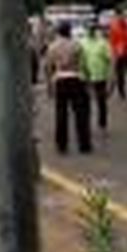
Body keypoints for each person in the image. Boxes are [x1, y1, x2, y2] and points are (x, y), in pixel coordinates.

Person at [43, 21, 92, 155]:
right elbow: (84, 65)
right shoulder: (76, 45)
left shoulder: (53, 47)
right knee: (80, 114)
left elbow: (47, 67)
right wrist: (87, 81)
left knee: (61, 114)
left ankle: (61, 145)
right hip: (76, 78)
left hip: (60, 79)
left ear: (59, 31)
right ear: (69, 31)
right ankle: (84, 144)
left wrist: (49, 84)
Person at [79, 23, 114, 134]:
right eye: (89, 29)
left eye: (93, 29)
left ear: (96, 31)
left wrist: (111, 77)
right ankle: (86, 125)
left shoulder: (103, 43)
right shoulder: (82, 43)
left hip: (100, 77)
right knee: (85, 103)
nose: (91, 31)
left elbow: (110, 60)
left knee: (101, 103)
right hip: (85, 78)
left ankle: (102, 124)